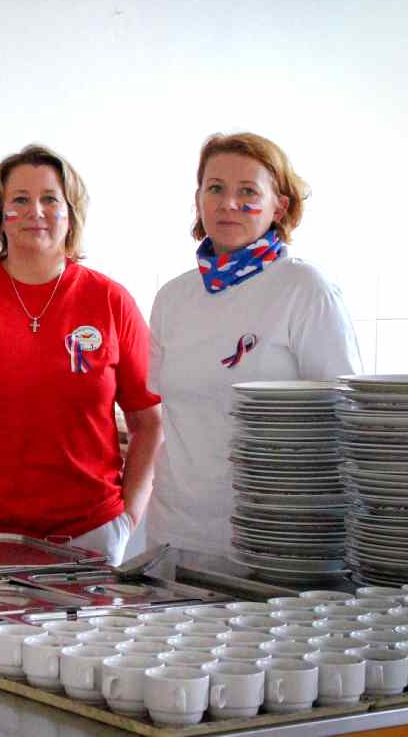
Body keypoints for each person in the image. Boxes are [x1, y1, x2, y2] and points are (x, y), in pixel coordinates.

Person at [0, 144, 162, 565]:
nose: (35, 211)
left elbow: (149, 422)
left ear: (70, 213)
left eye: (50, 199)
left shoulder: (110, 300)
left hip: (88, 537)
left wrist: (128, 518)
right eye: (20, 199)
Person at [147, 132, 361, 555]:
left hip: (275, 531)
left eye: (247, 191)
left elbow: (346, 417)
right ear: (198, 199)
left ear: (279, 206)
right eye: (215, 188)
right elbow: (166, 409)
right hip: (176, 529)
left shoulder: (305, 289)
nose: (228, 203)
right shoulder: (173, 298)